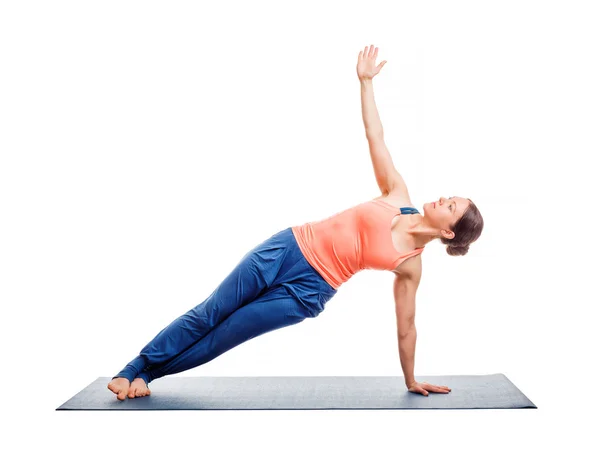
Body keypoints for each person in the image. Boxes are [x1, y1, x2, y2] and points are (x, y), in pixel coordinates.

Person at [108, 45, 484, 401]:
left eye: (449, 205)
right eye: (449, 197)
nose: (442, 198)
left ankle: (147, 377)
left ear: (448, 232)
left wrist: (411, 379)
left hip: (306, 292)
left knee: (223, 336)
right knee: (210, 313)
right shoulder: (398, 196)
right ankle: (133, 368)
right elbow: (376, 136)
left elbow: (407, 327)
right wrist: (365, 83)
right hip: (285, 248)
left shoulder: (411, 265)